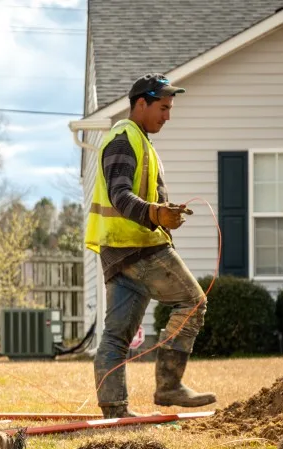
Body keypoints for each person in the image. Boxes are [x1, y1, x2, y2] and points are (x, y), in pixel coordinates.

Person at [85, 73, 217, 419]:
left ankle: (114, 410)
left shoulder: (138, 140)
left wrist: (161, 211)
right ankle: (169, 386)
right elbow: (120, 194)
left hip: (119, 250)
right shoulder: (124, 138)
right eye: (162, 107)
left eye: (170, 108)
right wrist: (157, 213)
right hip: (138, 246)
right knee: (192, 302)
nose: (167, 116)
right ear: (140, 103)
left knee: (116, 335)